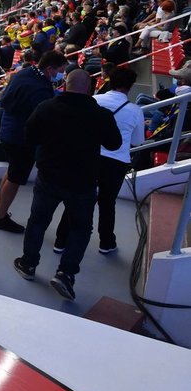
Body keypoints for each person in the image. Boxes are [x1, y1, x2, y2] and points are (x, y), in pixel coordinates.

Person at [13, 70, 122, 300]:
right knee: (81, 229)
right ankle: (66, 274)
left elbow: (30, 138)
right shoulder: (100, 114)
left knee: (38, 221)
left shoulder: (45, 107)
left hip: (49, 177)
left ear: (65, 84)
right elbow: (114, 144)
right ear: (89, 88)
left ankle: (28, 264)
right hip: (83, 182)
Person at [54, 66, 144, 255]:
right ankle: (106, 242)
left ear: (110, 81)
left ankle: (61, 240)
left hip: (88, 155)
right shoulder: (135, 111)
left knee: (75, 198)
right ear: (130, 86)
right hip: (116, 162)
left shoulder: (94, 100)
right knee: (107, 203)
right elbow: (137, 141)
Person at [0, 50, 67, 233]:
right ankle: (0, 217)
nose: (62, 74)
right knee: (16, 178)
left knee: (12, 170)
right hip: (20, 138)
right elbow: (41, 117)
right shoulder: (39, 89)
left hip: (8, 131)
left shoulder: (26, 72)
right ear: (50, 69)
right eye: (61, 70)